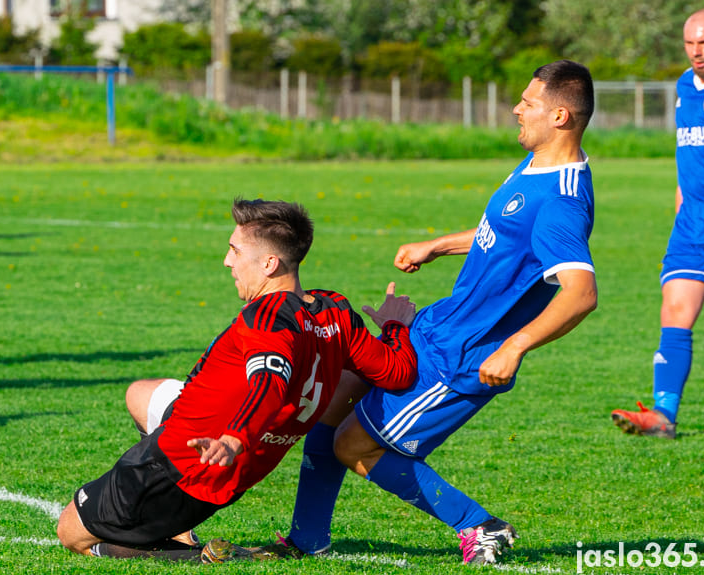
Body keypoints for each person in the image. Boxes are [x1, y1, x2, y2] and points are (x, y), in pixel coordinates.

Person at [203, 60, 598, 566]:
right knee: (331, 405)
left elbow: (580, 292)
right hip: (437, 327)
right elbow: (502, 238)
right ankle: (305, 541)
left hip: (464, 357)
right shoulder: (536, 164)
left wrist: (515, 347)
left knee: (355, 448)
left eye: (529, 102)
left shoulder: (562, 201)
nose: (516, 108)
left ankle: (480, 526)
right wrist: (439, 245)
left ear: (561, 116)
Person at [56, 198, 418, 561]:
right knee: (140, 394)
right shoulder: (333, 309)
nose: (227, 260)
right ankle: (176, 529)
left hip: (191, 463)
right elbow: (397, 372)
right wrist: (394, 327)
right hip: (236, 455)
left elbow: (269, 381)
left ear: (269, 263)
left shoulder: (268, 320)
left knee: (71, 534)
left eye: (234, 250)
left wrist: (233, 438)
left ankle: (206, 555)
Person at [611, 8, 704, 439]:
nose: (695, 52)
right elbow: (686, 156)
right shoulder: (685, 86)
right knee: (674, 310)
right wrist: (679, 208)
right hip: (691, 228)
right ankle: (663, 415)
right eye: (689, 43)